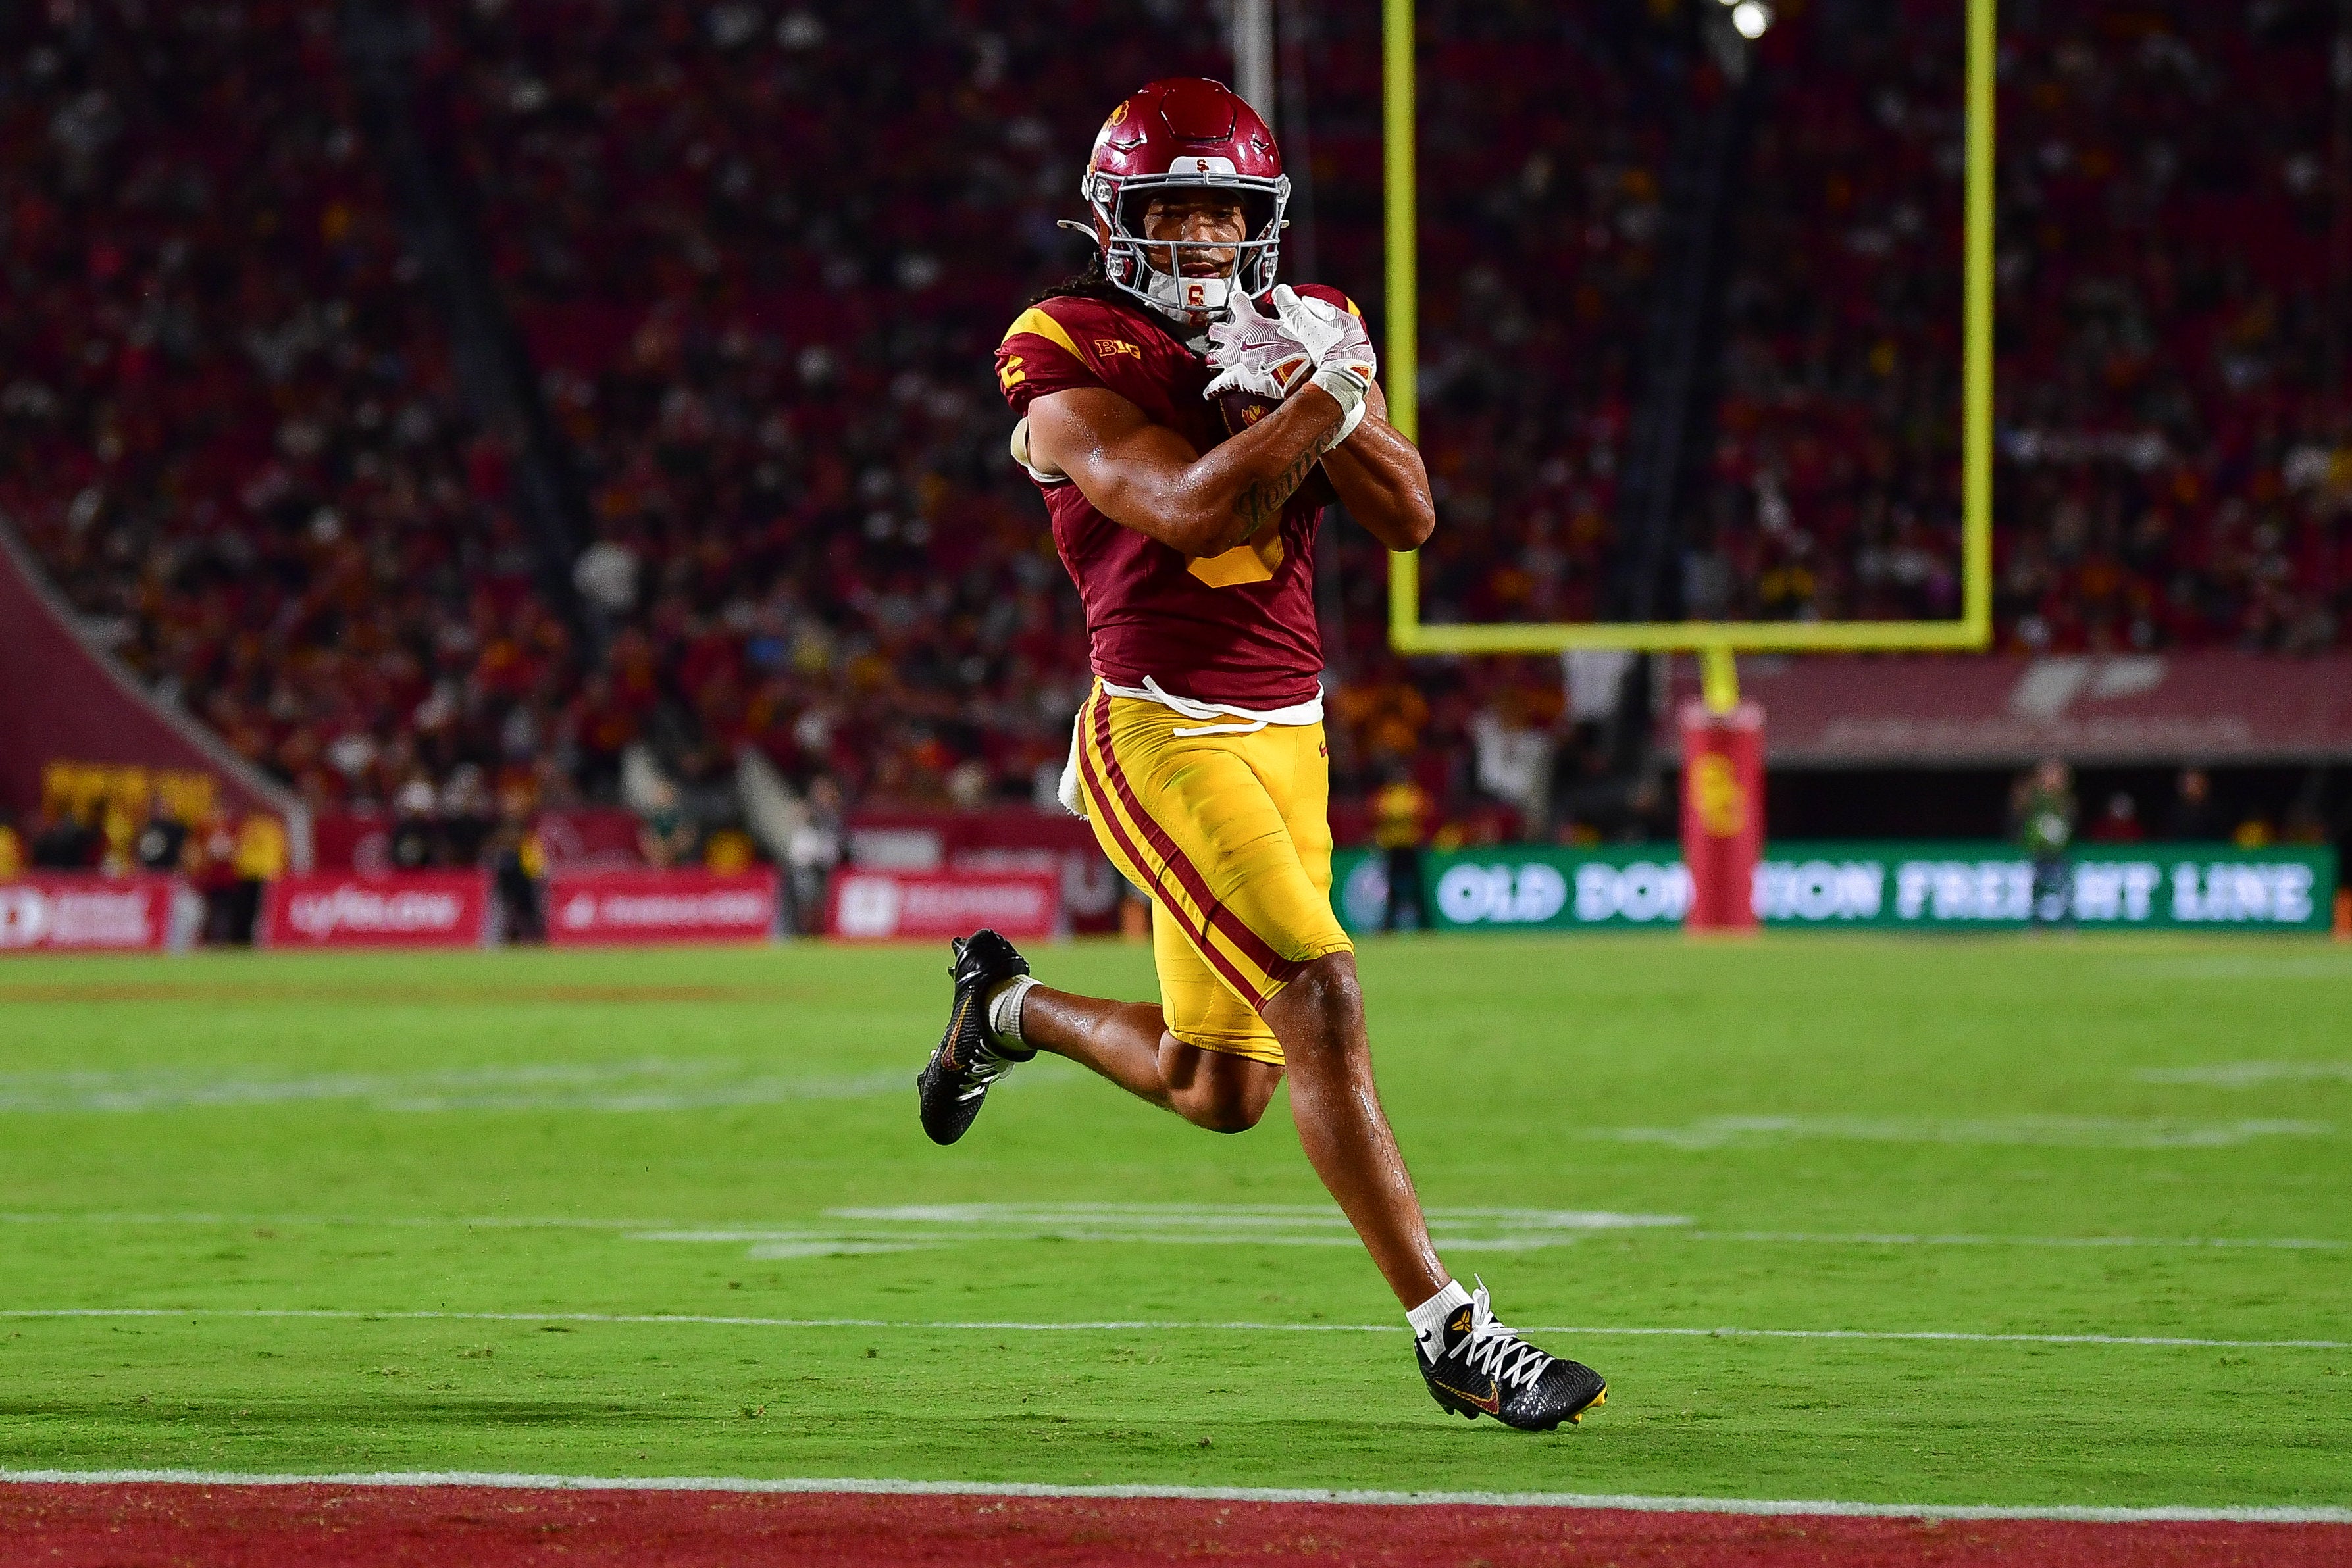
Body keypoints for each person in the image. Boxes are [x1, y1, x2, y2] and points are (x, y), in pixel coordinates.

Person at [915, 79, 1604, 1432]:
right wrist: (1303, 412)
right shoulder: (1061, 347)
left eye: (1221, 214)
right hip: (1159, 730)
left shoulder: (1313, 325)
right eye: (1167, 212)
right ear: (1114, 223)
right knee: (1324, 998)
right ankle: (1450, 1331)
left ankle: (1002, 1008)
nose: (1198, 241)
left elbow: (1407, 516)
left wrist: (1321, 387)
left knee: (1216, 1085)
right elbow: (1175, 507)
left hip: (1292, 735)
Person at [2016, 758, 2076, 925]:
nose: (2053, 778)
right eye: (2050, 774)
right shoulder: (2034, 797)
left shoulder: (2064, 799)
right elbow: (2019, 808)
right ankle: (2036, 924)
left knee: (2064, 886)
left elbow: (2069, 820)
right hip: (2039, 848)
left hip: (2059, 849)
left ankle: (2067, 923)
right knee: (2037, 887)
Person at [1371, 765, 1430, 932]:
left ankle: (1425, 926)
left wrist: (1396, 815)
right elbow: (1379, 811)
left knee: (1418, 889)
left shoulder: (1412, 793)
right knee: (1393, 890)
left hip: (1411, 846)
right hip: (1392, 848)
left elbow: (1420, 810)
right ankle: (1390, 926)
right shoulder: (1387, 794)